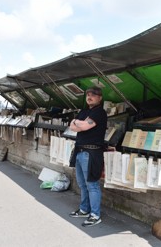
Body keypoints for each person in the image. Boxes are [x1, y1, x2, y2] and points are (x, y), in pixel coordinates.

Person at [69, 86, 107, 227]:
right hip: (79, 151)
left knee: (92, 185)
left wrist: (78, 123)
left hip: (91, 152)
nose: (90, 97)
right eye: (88, 95)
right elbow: (72, 126)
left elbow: (83, 127)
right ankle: (84, 209)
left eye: (94, 95)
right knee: (82, 184)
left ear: (100, 98)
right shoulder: (84, 111)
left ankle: (95, 215)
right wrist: (78, 123)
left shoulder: (100, 112)